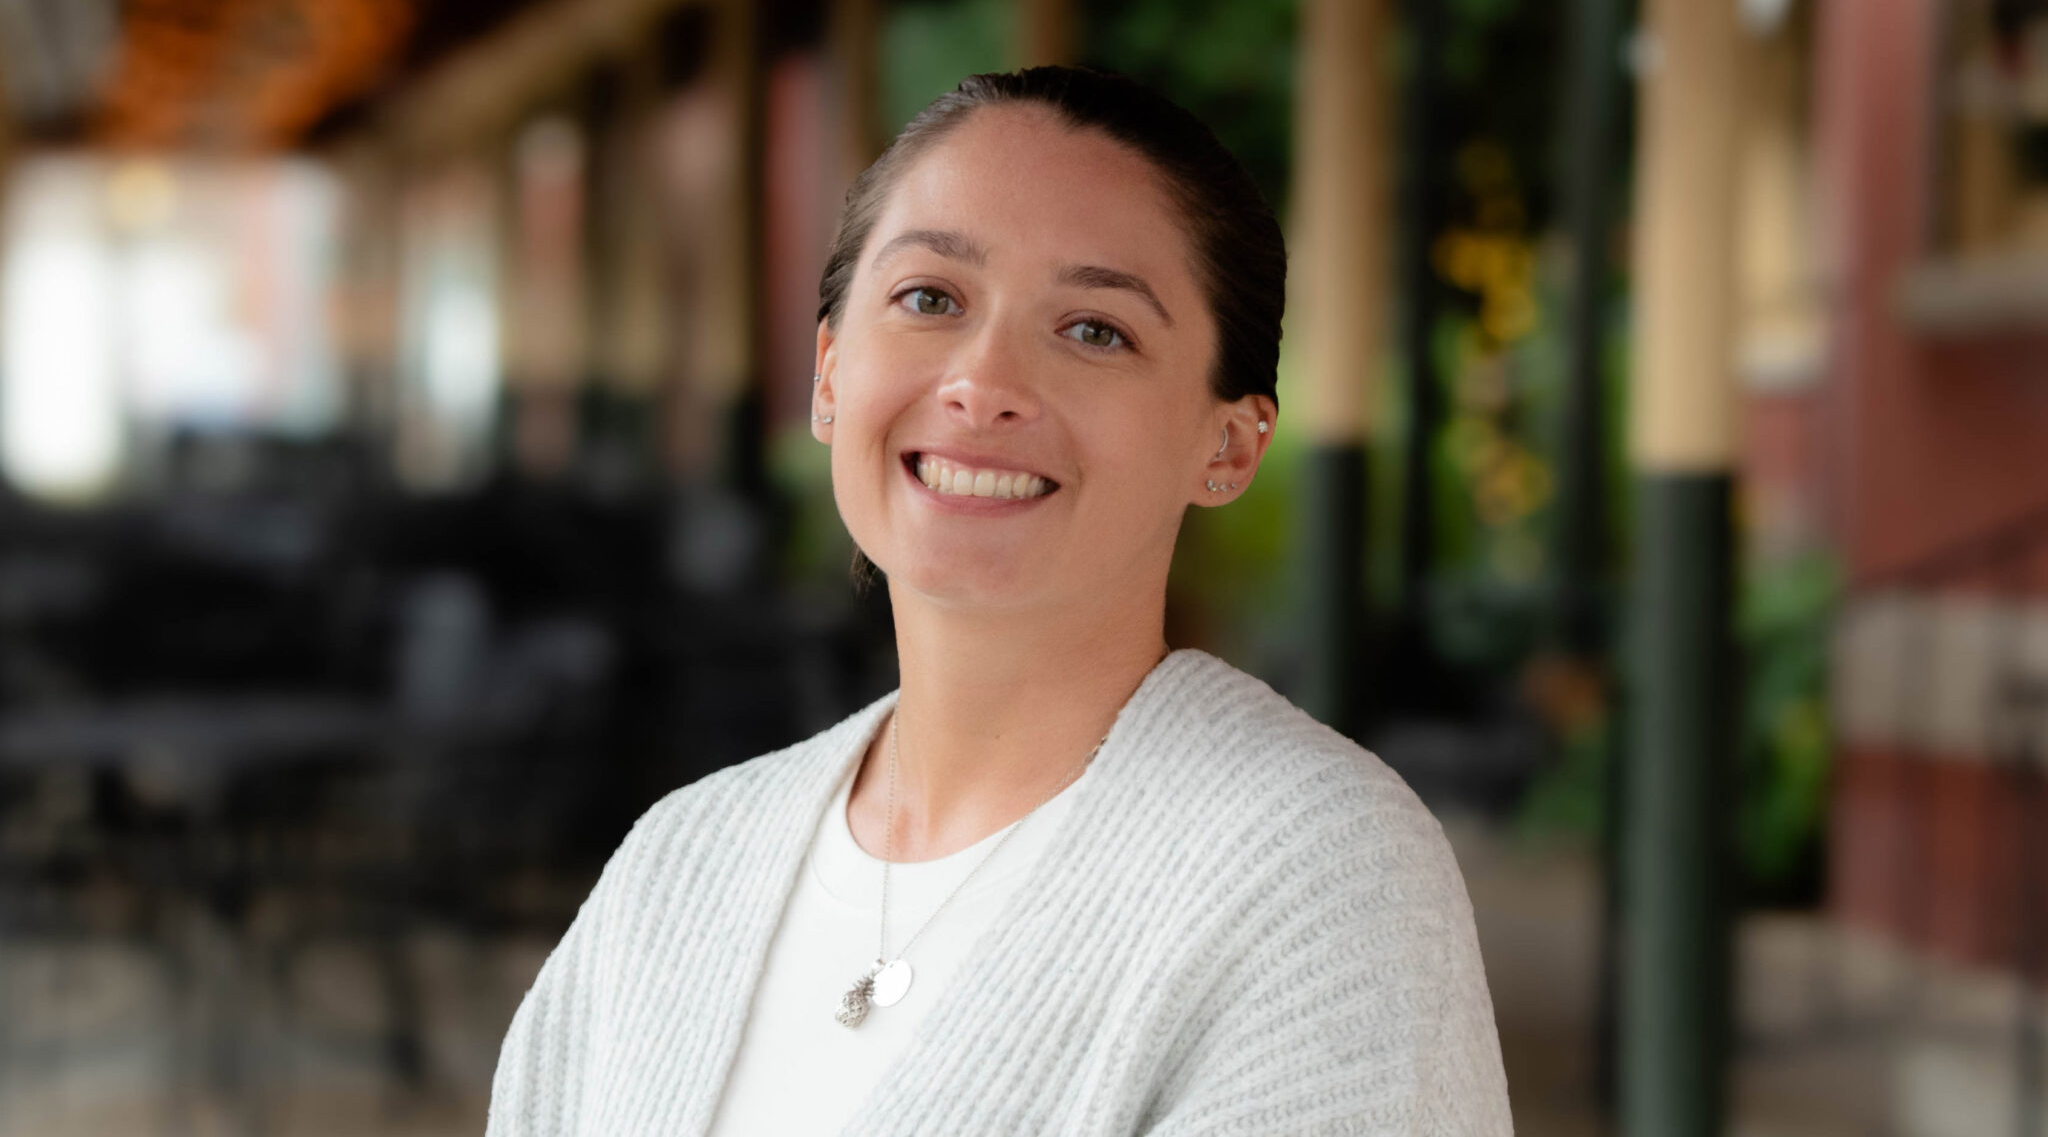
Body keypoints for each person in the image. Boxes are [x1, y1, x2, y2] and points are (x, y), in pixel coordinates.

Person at [487, 66, 1512, 1136]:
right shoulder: (684, 858)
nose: (982, 380)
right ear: (830, 374)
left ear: (1228, 442)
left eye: (1095, 330)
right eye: (929, 299)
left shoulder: (1316, 880)